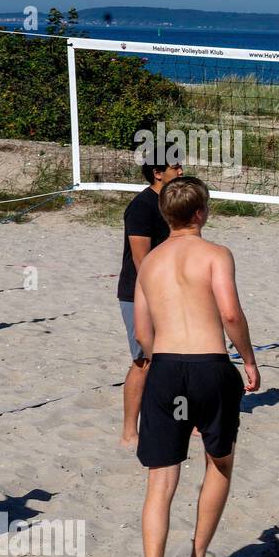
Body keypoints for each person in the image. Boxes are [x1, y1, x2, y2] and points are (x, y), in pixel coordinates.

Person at [133, 177, 259, 557]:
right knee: (219, 464)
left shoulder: (149, 263)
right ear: (201, 212)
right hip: (210, 366)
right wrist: (250, 359)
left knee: (160, 482)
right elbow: (230, 313)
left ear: (165, 215)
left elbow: (141, 332)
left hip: (166, 368)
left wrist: (165, 359)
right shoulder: (216, 255)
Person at [117, 153, 184, 446]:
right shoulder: (141, 208)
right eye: (176, 166)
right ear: (158, 172)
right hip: (139, 293)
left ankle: (185, 421)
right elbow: (142, 261)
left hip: (170, 289)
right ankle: (130, 430)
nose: (182, 169)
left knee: (181, 356)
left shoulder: (174, 204)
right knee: (144, 360)